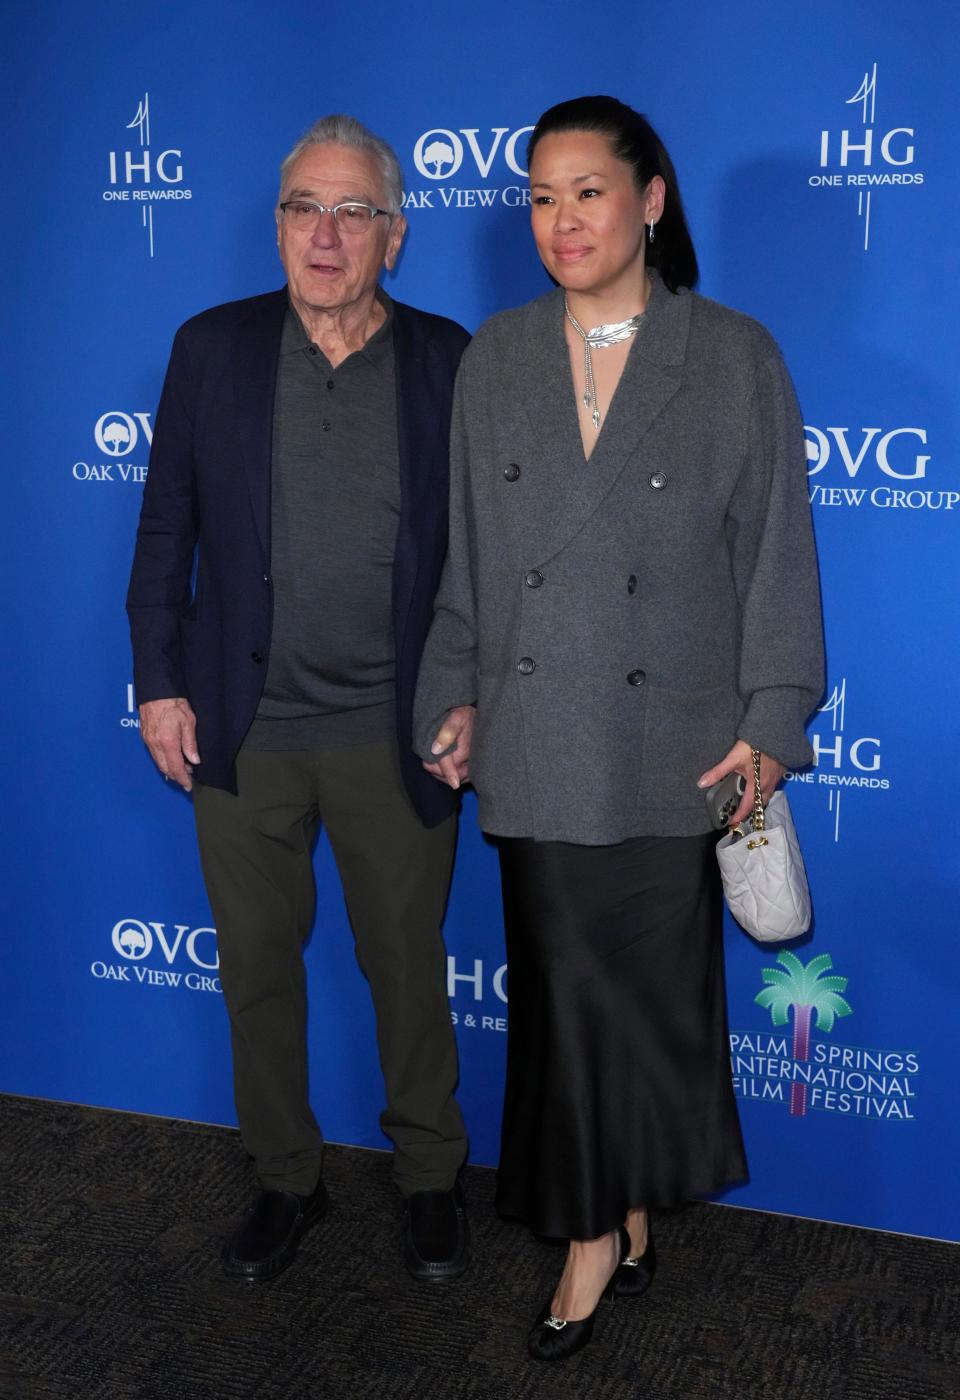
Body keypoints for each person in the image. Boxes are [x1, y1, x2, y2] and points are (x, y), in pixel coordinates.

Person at [414, 95, 823, 1360]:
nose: (560, 219)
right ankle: (601, 1221)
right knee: (560, 995)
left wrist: (773, 719)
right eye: (540, 196)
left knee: (643, 1003)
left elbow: (776, 562)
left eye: (587, 190)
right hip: (539, 739)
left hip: (679, 745)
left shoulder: (734, 353)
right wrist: (451, 692)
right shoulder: (496, 359)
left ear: (651, 201)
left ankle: (616, 1213)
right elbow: (468, 562)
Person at [127, 115, 471, 1285]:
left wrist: (467, 692)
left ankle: (429, 1176)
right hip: (245, 721)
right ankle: (286, 1176)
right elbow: (164, 525)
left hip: (399, 731)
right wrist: (160, 680)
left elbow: (477, 554)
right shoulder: (210, 348)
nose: (324, 237)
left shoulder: (447, 361)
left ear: (395, 233)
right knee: (257, 968)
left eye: (352, 212)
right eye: (302, 210)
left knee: (407, 966)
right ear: (276, 225)